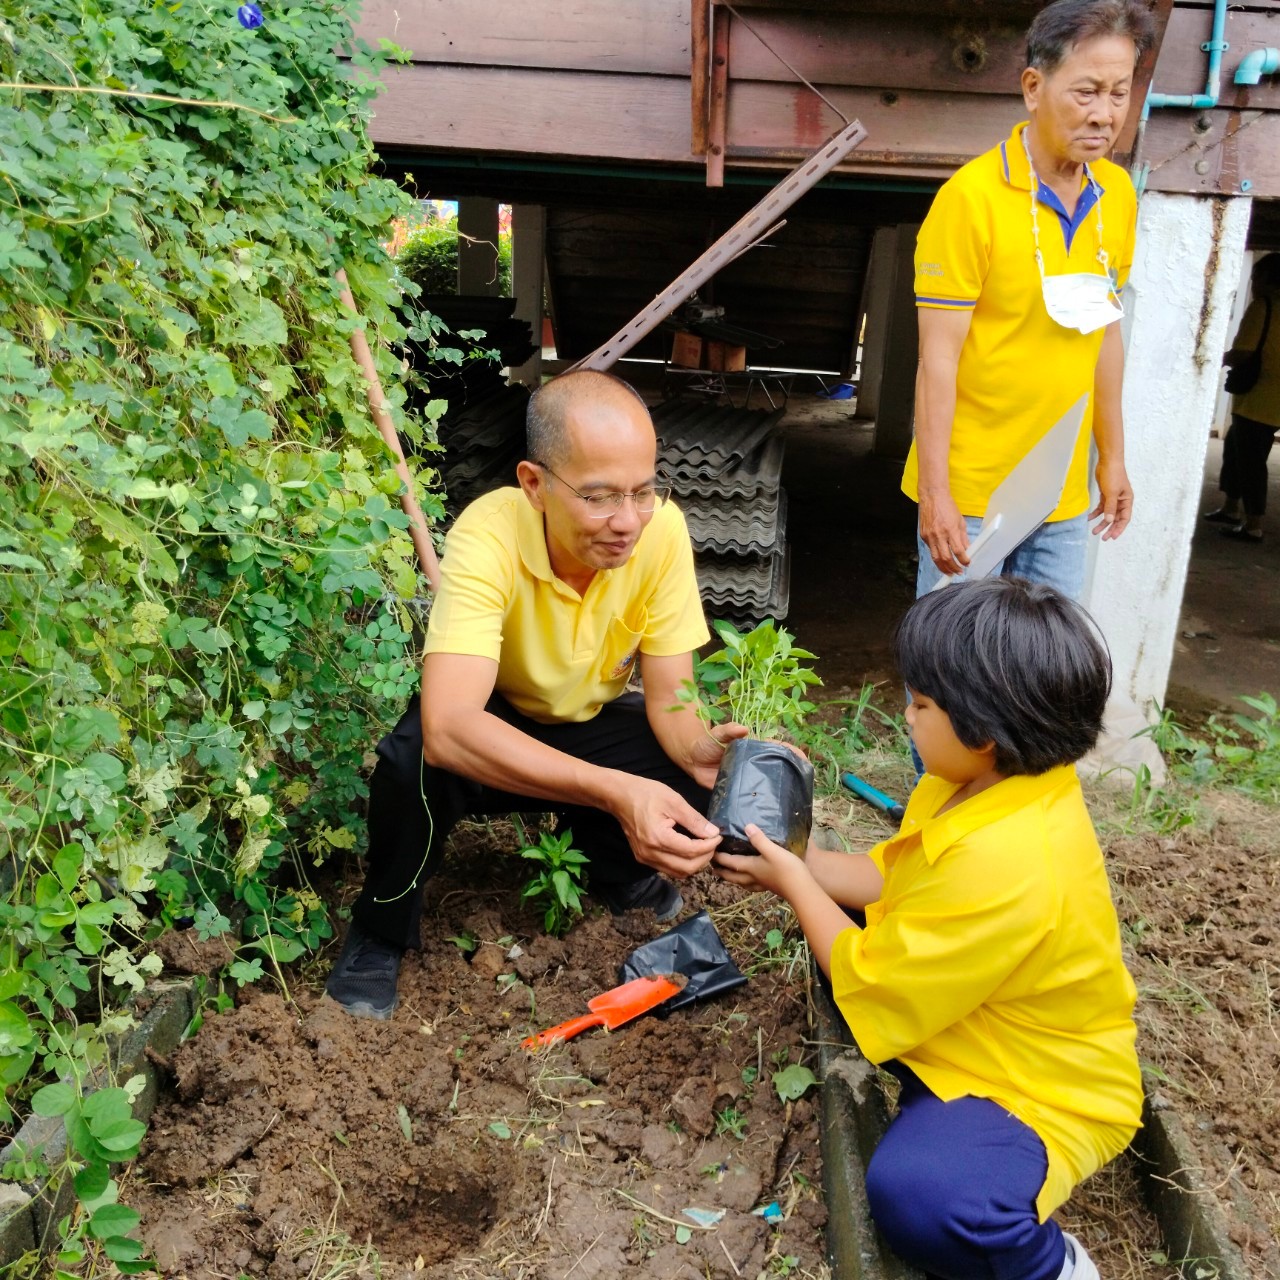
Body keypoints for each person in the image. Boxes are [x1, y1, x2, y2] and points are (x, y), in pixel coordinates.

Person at [714, 577, 1141, 1280]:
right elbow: (891, 878)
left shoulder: (1011, 859)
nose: (906, 715)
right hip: (968, 1024)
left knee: (926, 1199)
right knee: (841, 920)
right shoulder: (975, 784)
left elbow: (869, 970)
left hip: (1035, 1086)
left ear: (983, 731)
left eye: (920, 703)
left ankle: (1055, 1268)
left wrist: (793, 883)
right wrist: (794, 858)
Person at [326, 369, 746, 1019]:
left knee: (687, 775)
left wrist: (698, 747)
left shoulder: (661, 532)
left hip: (586, 723)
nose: (627, 521)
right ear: (534, 484)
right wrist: (612, 790)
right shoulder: (488, 535)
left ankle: (615, 871)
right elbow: (451, 724)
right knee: (412, 761)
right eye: (599, 497)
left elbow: (671, 699)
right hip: (493, 724)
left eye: (642, 491)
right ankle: (380, 928)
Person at [907, 0, 1154, 600]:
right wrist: (937, 494)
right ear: (1033, 88)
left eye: (1119, 94)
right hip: (972, 491)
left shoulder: (1117, 194)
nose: (1104, 114)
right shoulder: (971, 199)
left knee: (1051, 654)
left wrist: (1112, 457)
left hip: (1060, 494)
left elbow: (1105, 334)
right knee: (954, 652)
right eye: (1086, 91)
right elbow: (937, 359)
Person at [1204, 252, 1280, 543]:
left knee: (1250, 462)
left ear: (1264, 279)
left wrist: (1215, 358)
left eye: (1255, 278)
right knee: (1236, 450)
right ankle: (1231, 508)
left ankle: (1253, 524)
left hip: (1256, 398)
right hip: (1270, 399)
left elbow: (1244, 352)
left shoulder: (1263, 306)